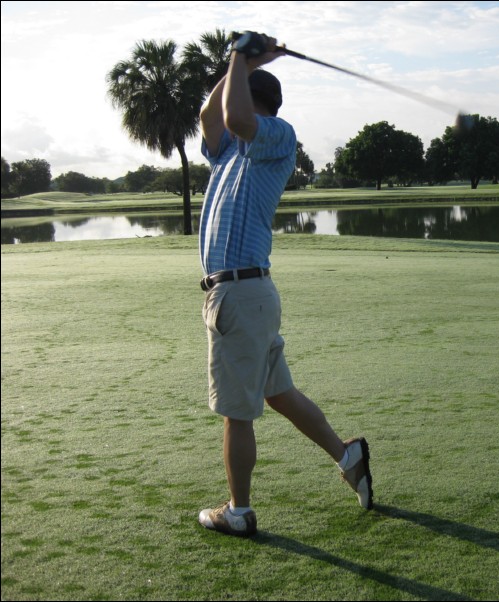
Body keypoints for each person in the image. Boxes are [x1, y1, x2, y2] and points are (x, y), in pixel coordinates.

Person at [197, 34, 372, 537]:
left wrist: (240, 60)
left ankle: (238, 510)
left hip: (241, 293)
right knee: (279, 393)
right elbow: (213, 118)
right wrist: (242, 61)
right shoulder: (229, 152)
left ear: (256, 97)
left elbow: (232, 115)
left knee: (236, 411)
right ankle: (348, 456)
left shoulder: (275, 134)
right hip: (244, 295)